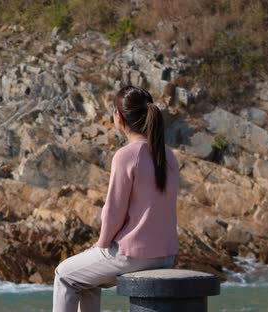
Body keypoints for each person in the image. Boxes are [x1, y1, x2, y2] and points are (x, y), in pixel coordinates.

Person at [52, 85, 180, 312]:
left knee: (64, 275)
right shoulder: (168, 155)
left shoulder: (126, 156)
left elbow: (114, 210)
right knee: (84, 279)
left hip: (133, 255)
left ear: (118, 117)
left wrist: (101, 245)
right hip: (166, 255)